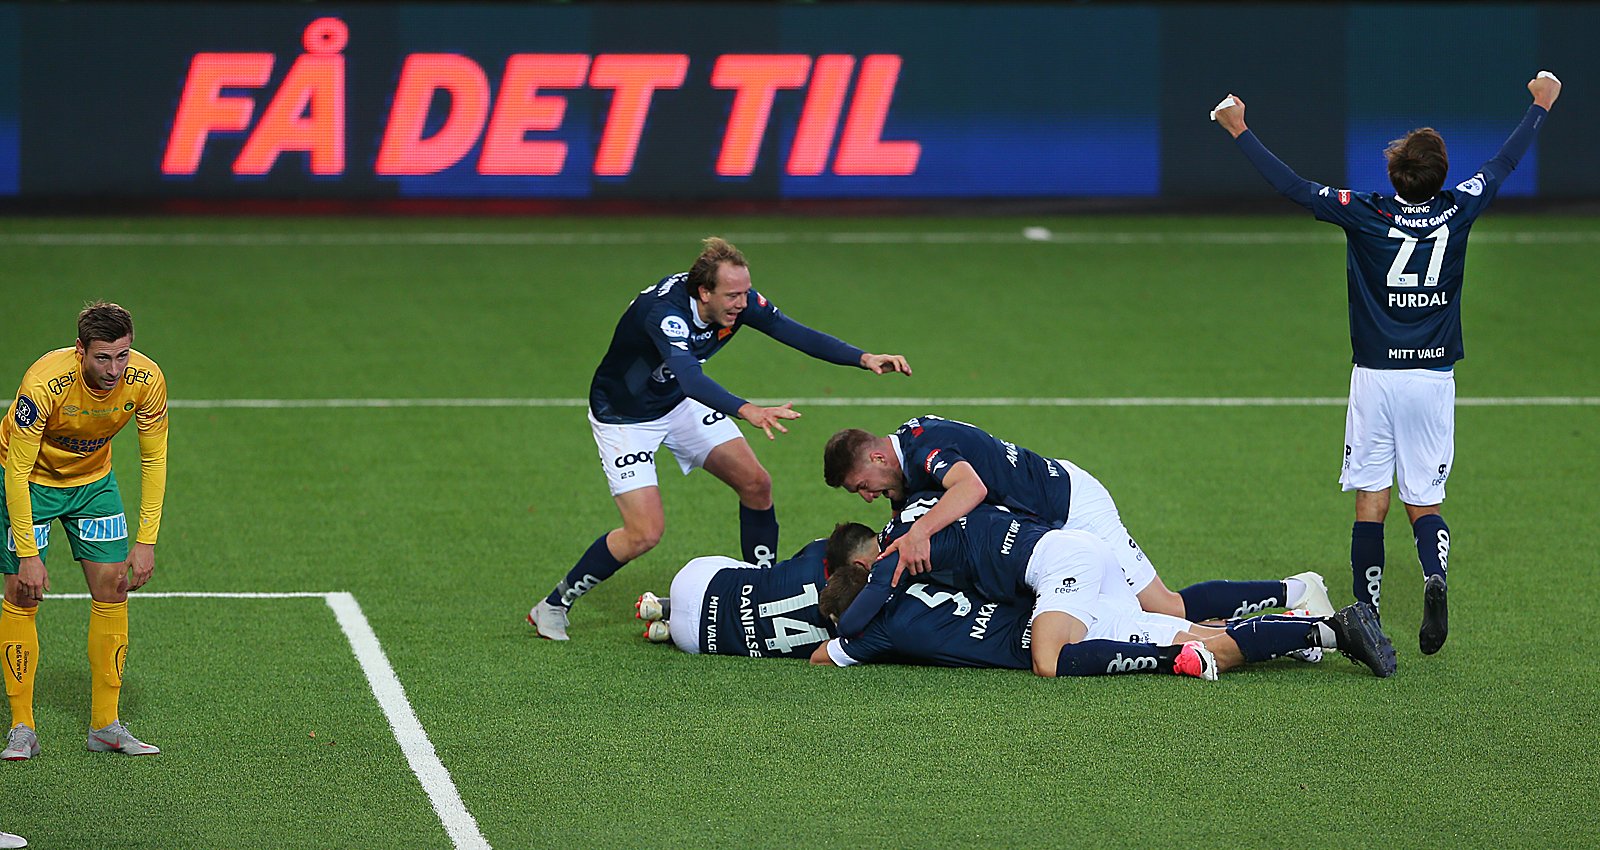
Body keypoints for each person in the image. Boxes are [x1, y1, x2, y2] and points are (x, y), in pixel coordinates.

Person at [1211, 71, 1562, 654]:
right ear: (1442, 176)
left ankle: (1368, 614)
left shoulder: (1367, 212)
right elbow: (1504, 163)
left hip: (1376, 378)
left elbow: (1295, 187)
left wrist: (1239, 129)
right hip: (1433, 378)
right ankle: (1434, 577)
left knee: (1370, 498)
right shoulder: (1460, 208)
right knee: (1424, 500)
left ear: (1395, 176)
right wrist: (1540, 106)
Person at [528, 237, 910, 640]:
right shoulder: (665, 314)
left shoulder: (736, 303)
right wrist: (748, 410)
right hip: (626, 418)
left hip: (675, 401)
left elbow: (790, 330)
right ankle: (554, 605)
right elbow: (692, 378)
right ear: (703, 292)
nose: (742, 304)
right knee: (644, 533)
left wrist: (862, 357)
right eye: (733, 295)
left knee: (756, 483)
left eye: (746, 292)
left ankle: (759, 586)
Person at [823, 415, 1332, 624]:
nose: (866, 498)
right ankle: (1283, 622)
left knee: (1163, 608)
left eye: (860, 487)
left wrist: (921, 532)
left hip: (1073, 506)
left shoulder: (923, 448)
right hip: (1043, 523)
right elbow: (903, 534)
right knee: (1135, 615)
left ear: (873, 459)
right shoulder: (904, 468)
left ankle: (1297, 592)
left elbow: (971, 488)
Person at [815, 516, 1395, 679]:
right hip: (1078, 588)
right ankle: (1320, 627)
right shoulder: (920, 575)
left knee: (1049, 663)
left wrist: (839, 626)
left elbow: (827, 653)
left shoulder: (877, 632)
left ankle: (1315, 627)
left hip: (1066, 596)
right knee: (1192, 628)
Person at [1, 302, 167, 761]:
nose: (114, 369)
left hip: (93, 485)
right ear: (80, 351)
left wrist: (146, 540)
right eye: (102, 357)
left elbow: (153, 459)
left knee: (114, 589)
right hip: (30, 482)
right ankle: (21, 727)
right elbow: (15, 474)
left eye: (122, 355)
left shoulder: (147, 380)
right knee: (22, 592)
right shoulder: (44, 383)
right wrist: (29, 555)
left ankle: (106, 726)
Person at [633, 537, 834, 659]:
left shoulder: (819, 555)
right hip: (695, 642)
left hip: (691, 582)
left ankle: (665, 606)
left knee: (764, 575)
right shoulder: (856, 635)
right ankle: (669, 628)